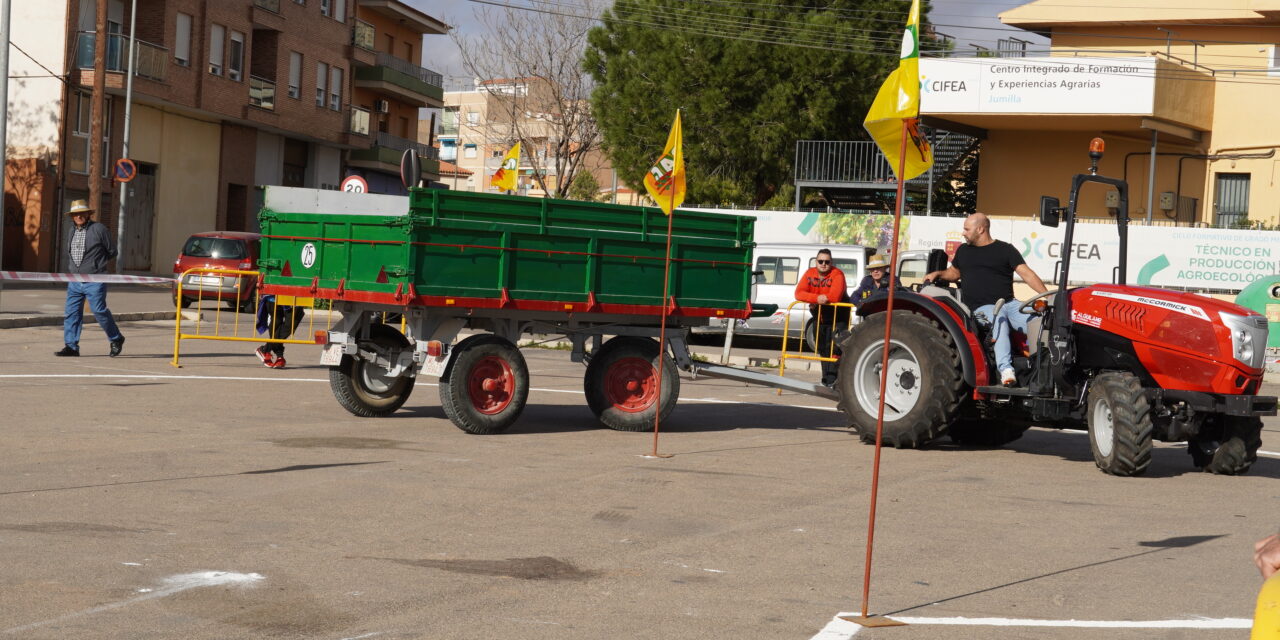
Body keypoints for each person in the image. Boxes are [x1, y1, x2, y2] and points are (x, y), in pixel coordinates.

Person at [922, 212, 1048, 386]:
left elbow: (1027, 274)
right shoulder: (964, 251)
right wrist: (938, 273)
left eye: (967, 229)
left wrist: (1047, 295)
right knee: (999, 320)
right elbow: (954, 273)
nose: (963, 233)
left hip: (1009, 304)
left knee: (1041, 323)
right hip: (982, 308)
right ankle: (1006, 370)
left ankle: (1046, 369)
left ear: (980, 229)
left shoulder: (1005, 249)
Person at [55, 199, 125, 357]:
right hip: (75, 280)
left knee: (99, 310)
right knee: (72, 312)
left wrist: (97, 264)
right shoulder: (71, 231)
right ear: (72, 216)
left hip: (95, 279)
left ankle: (116, 338)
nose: (79, 216)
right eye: (75, 214)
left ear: (88, 214)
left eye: (82, 213)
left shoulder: (99, 229)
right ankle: (71, 346)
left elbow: (112, 251)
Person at [794, 248, 847, 388]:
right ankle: (826, 380)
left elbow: (835, 296)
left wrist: (815, 299)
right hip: (820, 317)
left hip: (838, 317)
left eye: (827, 262)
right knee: (823, 349)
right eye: (820, 261)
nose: (823, 264)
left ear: (831, 262)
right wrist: (816, 299)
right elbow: (798, 293)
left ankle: (834, 380)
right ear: (816, 262)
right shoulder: (809, 273)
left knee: (836, 349)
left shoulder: (837, 274)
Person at [254, 294, 304, 369]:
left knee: (291, 323)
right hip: (274, 295)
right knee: (276, 322)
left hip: (295, 295)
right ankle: (279, 356)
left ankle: (265, 349)